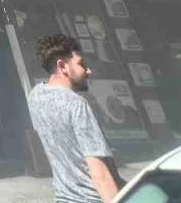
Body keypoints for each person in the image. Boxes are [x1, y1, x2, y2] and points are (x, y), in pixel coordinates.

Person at [27, 34, 121, 203]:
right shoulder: (77, 105)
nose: (88, 71)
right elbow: (100, 174)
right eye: (81, 64)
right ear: (62, 66)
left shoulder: (36, 96)